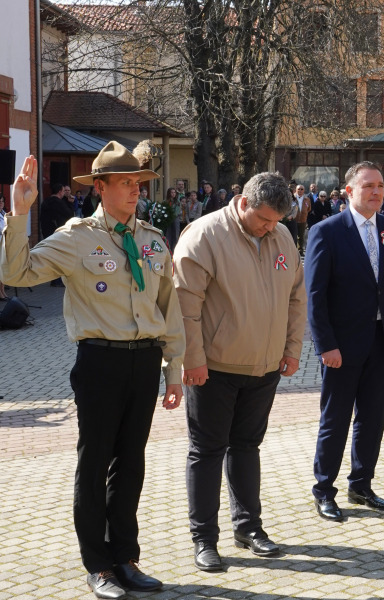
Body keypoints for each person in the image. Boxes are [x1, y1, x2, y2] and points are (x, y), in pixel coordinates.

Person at [0, 145, 185, 599]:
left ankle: (125, 557)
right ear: (99, 188)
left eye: (138, 182)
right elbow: (18, 272)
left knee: (131, 463)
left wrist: (174, 368)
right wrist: (18, 215)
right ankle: (97, 565)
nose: (135, 190)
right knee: (95, 460)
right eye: (125, 182)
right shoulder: (76, 237)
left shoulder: (152, 239)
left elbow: (170, 308)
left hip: (144, 360)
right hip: (100, 361)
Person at [174, 171, 305, 572]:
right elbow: (185, 305)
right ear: (243, 203)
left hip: (264, 367)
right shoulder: (204, 235)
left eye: (276, 222)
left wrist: (292, 349)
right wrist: (191, 360)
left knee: (247, 447)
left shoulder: (281, 237)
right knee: (208, 451)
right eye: (264, 219)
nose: (270, 228)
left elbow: (296, 295)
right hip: (213, 368)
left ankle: (249, 528)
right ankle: (204, 539)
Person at [305, 161, 384, 521]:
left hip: (382, 342)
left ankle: (362, 484)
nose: (376, 191)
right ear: (349, 191)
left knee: (372, 419)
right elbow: (315, 296)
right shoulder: (326, 231)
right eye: (368, 185)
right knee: (335, 419)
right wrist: (326, 345)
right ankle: (324, 489)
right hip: (342, 345)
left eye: (381, 186)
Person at [295, 185, 312, 255]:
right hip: (294, 220)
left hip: (303, 220)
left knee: (301, 236)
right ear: (296, 190)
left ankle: (300, 250)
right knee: (293, 235)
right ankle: (293, 250)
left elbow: (309, 209)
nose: (300, 190)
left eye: (302, 189)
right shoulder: (292, 198)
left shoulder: (307, 199)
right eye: (299, 189)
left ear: (304, 190)